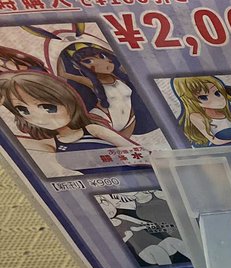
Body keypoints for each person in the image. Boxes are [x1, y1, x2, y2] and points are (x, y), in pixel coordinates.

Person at [0, 71, 133, 176]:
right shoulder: (50, 144)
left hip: (132, 177)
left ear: (67, 101)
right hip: (101, 191)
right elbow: (12, 143)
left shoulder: (92, 129)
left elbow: (133, 150)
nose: (40, 118)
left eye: (48, 107)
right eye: (22, 110)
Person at [57, 43, 153, 138]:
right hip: (104, 119)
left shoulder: (120, 76)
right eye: (89, 61)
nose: (102, 62)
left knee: (126, 146)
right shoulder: (91, 82)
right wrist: (58, 54)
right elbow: (63, 74)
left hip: (129, 119)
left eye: (102, 56)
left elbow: (122, 56)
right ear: (78, 66)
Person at [171, 75, 231, 147]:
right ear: (190, 101)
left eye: (217, 93)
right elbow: (216, 141)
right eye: (203, 97)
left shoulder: (227, 113)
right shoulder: (196, 116)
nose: (217, 100)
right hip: (221, 150)